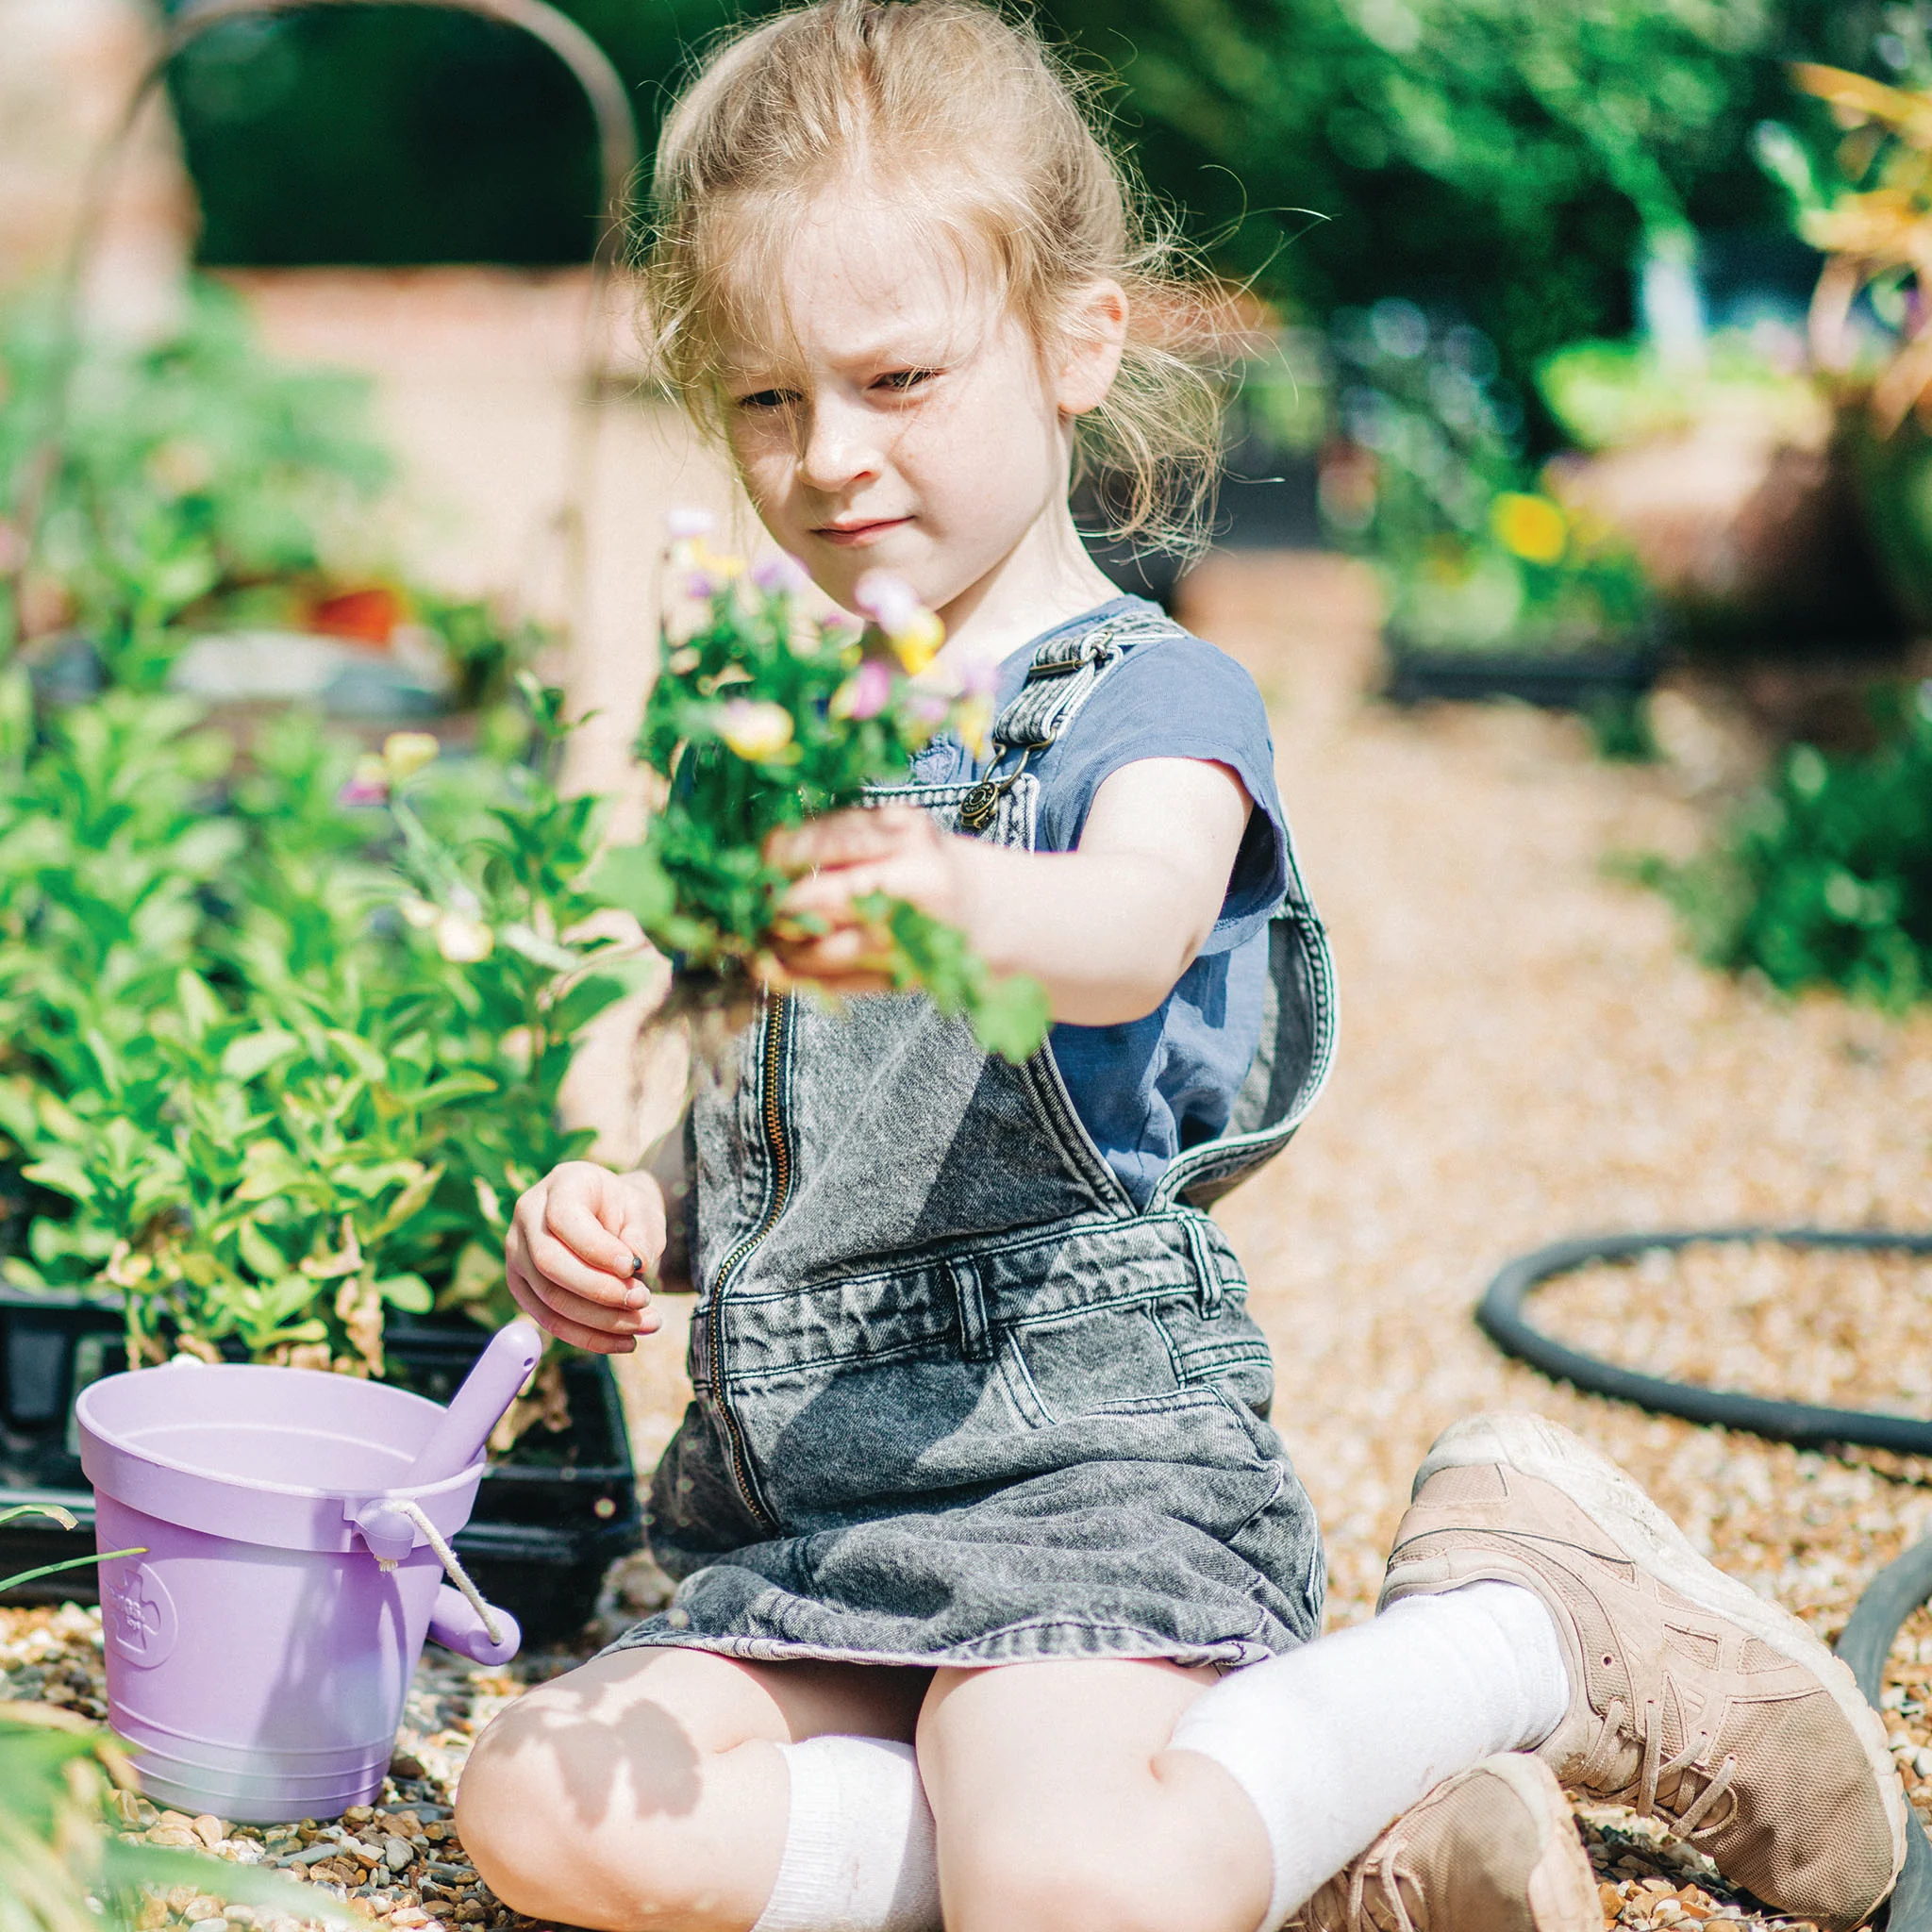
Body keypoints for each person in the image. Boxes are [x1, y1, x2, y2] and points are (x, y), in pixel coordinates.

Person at [454, 6, 1907, 1930]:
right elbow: (796, 1122)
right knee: (539, 1805)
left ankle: (1515, 1636)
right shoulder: (791, 739)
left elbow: (1126, 934)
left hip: (1079, 1481)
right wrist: (631, 1220)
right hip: (808, 1517)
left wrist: (936, 890)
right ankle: (1283, 1837)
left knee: (1052, 1885)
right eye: (767, 401)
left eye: (897, 378)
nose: (829, 458)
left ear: (1079, 344)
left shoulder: (1151, 701)